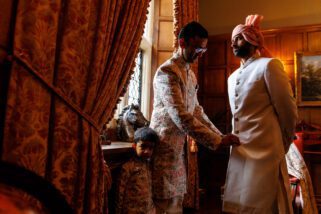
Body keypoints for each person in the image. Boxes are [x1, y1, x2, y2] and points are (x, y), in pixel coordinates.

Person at [150, 21, 240, 214]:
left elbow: (196, 111)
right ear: (182, 43)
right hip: (164, 148)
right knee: (163, 204)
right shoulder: (167, 72)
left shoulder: (190, 76)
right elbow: (181, 116)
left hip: (181, 152)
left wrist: (220, 135)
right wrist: (217, 141)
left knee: (176, 204)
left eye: (204, 50)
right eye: (197, 48)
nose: (200, 54)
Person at [223, 14, 298, 213]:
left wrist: (284, 142)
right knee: (241, 204)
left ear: (253, 40)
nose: (234, 44)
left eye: (238, 38)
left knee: (266, 203)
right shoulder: (231, 78)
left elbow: (288, 109)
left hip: (267, 150)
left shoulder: (269, 65)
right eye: (232, 40)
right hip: (240, 151)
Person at [115, 127, 159, 214]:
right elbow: (119, 192)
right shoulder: (127, 167)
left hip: (148, 210)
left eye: (151, 148)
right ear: (134, 146)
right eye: (143, 147)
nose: (147, 151)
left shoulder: (149, 165)